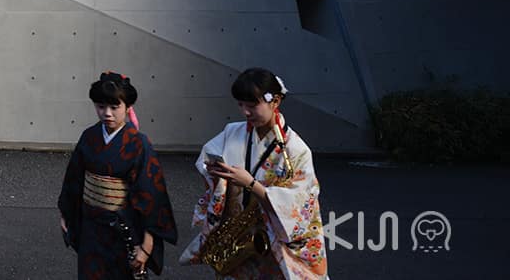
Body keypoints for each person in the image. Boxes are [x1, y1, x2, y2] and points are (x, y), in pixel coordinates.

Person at [179, 67, 328, 279]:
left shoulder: (296, 149)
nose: (245, 112)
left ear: (275, 101)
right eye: (241, 105)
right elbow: (207, 158)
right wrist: (215, 172)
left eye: (252, 105)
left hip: (274, 236)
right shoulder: (233, 132)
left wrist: (250, 184)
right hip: (240, 235)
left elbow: (301, 203)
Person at [58, 71, 178, 278]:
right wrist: (67, 214)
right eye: (100, 106)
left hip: (124, 229)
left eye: (114, 107)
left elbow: (152, 198)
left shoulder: (139, 143)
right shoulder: (89, 137)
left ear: (128, 107)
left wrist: (147, 246)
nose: (107, 113)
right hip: (91, 228)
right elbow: (74, 181)